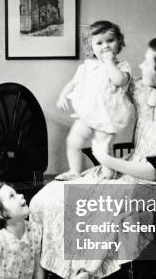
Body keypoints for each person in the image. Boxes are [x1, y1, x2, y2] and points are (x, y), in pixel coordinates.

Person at [30, 37, 156, 279]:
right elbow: (113, 83)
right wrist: (105, 60)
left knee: (96, 205)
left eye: (148, 62)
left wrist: (108, 160)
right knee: (50, 197)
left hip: (151, 188)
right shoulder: (147, 90)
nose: (141, 66)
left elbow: (153, 170)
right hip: (125, 171)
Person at [55, 20, 135, 181]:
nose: (105, 46)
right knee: (73, 140)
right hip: (87, 113)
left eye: (110, 41)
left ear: (119, 43)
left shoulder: (122, 66)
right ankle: (75, 171)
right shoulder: (86, 66)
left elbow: (119, 81)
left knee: (101, 147)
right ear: (91, 47)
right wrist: (63, 95)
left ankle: (108, 175)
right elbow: (73, 82)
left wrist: (109, 62)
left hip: (107, 115)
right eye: (99, 43)